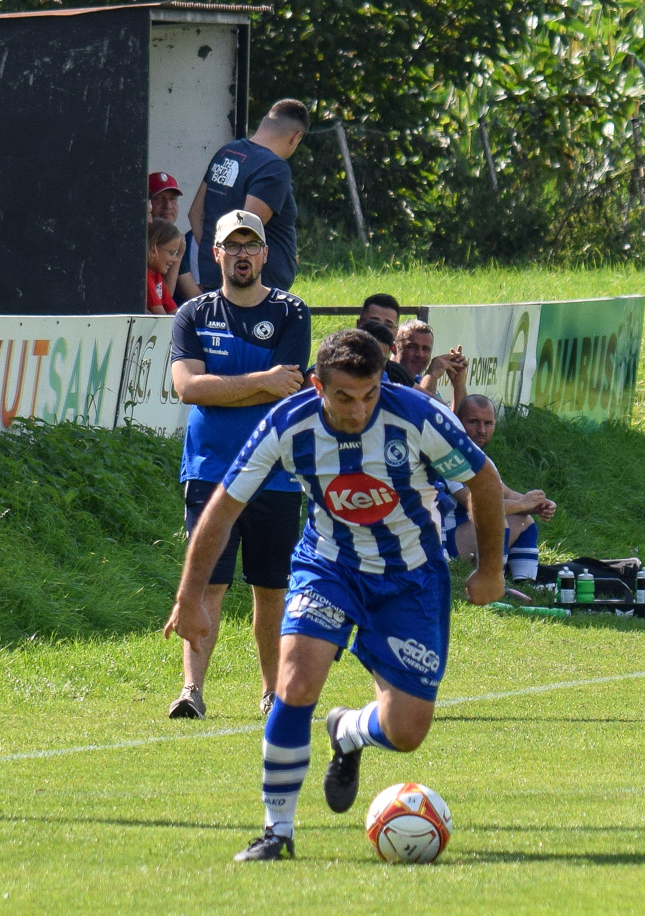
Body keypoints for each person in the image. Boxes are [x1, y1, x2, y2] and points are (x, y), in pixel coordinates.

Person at [162, 329, 508, 862]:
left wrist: (490, 570)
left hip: (412, 577)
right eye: (344, 397)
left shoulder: (417, 416)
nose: (358, 410)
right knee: (295, 682)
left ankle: (347, 730)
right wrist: (189, 597)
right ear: (317, 385)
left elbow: (484, 480)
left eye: (369, 395)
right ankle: (277, 831)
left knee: (406, 731)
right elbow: (224, 506)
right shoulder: (287, 423)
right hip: (329, 566)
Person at [166, 210, 311, 721]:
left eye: (251, 245)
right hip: (210, 469)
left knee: (270, 588)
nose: (242, 254)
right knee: (209, 584)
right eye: (233, 245)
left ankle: (272, 693)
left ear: (265, 254)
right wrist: (260, 381)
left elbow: (288, 387)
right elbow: (188, 388)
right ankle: (191, 692)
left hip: (276, 471)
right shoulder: (194, 313)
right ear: (217, 254)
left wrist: (231, 387)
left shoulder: (291, 311)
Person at [190, 99, 309, 293]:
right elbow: (246, 229)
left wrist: (217, 258)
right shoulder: (274, 167)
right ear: (296, 137)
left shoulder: (226, 153)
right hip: (253, 293)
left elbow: (195, 213)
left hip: (215, 279)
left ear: (264, 122)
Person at [446, 394, 555, 581]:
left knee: (524, 520)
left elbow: (507, 494)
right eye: (473, 422)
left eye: (488, 423)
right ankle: (493, 582)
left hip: (468, 536)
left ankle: (526, 583)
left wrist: (539, 504)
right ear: (458, 422)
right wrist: (523, 504)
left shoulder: (483, 461)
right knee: (496, 520)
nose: (481, 430)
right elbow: (480, 506)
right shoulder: (450, 459)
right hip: (446, 544)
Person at [149, 171, 201, 304]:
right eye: (158, 199)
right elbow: (162, 301)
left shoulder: (175, 239)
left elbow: (194, 296)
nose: (167, 206)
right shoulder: (144, 239)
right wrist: (178, 256)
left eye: (172, 199)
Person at [392, 320, 468, 402]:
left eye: (426, 349)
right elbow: (420, 408)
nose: (420, 354)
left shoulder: (419, 380)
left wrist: (458, 383)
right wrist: (432, 375)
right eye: (412, 346)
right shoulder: (387, 381)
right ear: (394, 348)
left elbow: (444, 411)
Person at [145, 221, 183, 315]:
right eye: (172, 253)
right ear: (153, 250)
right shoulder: (146, 276)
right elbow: (162, 317)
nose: (175, 259)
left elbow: (174, 312)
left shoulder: (156, 276)